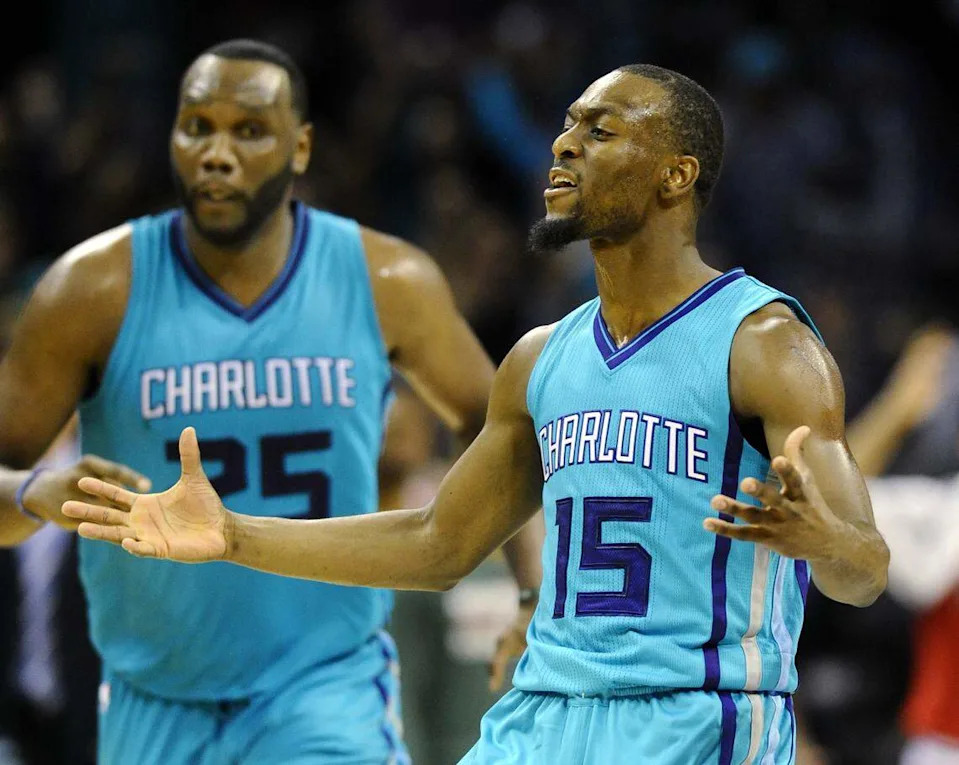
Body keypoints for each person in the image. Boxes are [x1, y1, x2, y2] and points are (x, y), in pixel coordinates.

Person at [67, 64, 890, 764]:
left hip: (689, 718)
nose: (564, 145)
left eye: (600, 131)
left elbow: (865, 569)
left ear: (676, 174)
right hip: (542, 715)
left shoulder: (764, 342)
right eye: (567, 126)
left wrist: (820, 541)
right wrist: (235, 535)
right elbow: (436, 543)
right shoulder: (539, 358)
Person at [0, 38, 544, 764]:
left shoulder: (387, 279)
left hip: (324, 688)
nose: (215, 153)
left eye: (248, 129)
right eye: (197, 125)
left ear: (300, 146)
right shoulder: (89, 291)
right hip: (151, 695)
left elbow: (504, 430)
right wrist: (37, 492)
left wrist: (533, 591)